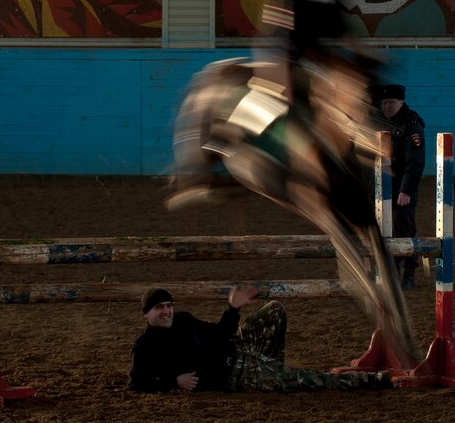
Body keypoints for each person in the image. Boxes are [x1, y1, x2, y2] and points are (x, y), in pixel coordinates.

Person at [128, 285, 390, 393]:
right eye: (159, 308)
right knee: (310, 379)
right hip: (236, 375)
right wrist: (174, 381)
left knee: (275, 309)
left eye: (168, 305)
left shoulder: (183, 319)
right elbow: (136, 383)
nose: (166, 311)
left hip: (239, 348)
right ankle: (373, 380)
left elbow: (220, 333)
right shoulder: (145, 346)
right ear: (146, 315)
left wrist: (234, 309)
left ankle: (273, 370)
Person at [375, 84, 426, 290]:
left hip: (401, 189)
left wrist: (405, 190)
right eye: (384, 102)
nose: (387, 106)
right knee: (383, 229)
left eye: (391, 102)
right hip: (382, 186)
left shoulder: (412, 125)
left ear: (401, 102)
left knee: (404, 229)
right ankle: (391, 271)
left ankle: (409, 274)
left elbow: (415, 162)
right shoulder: (379, 119)